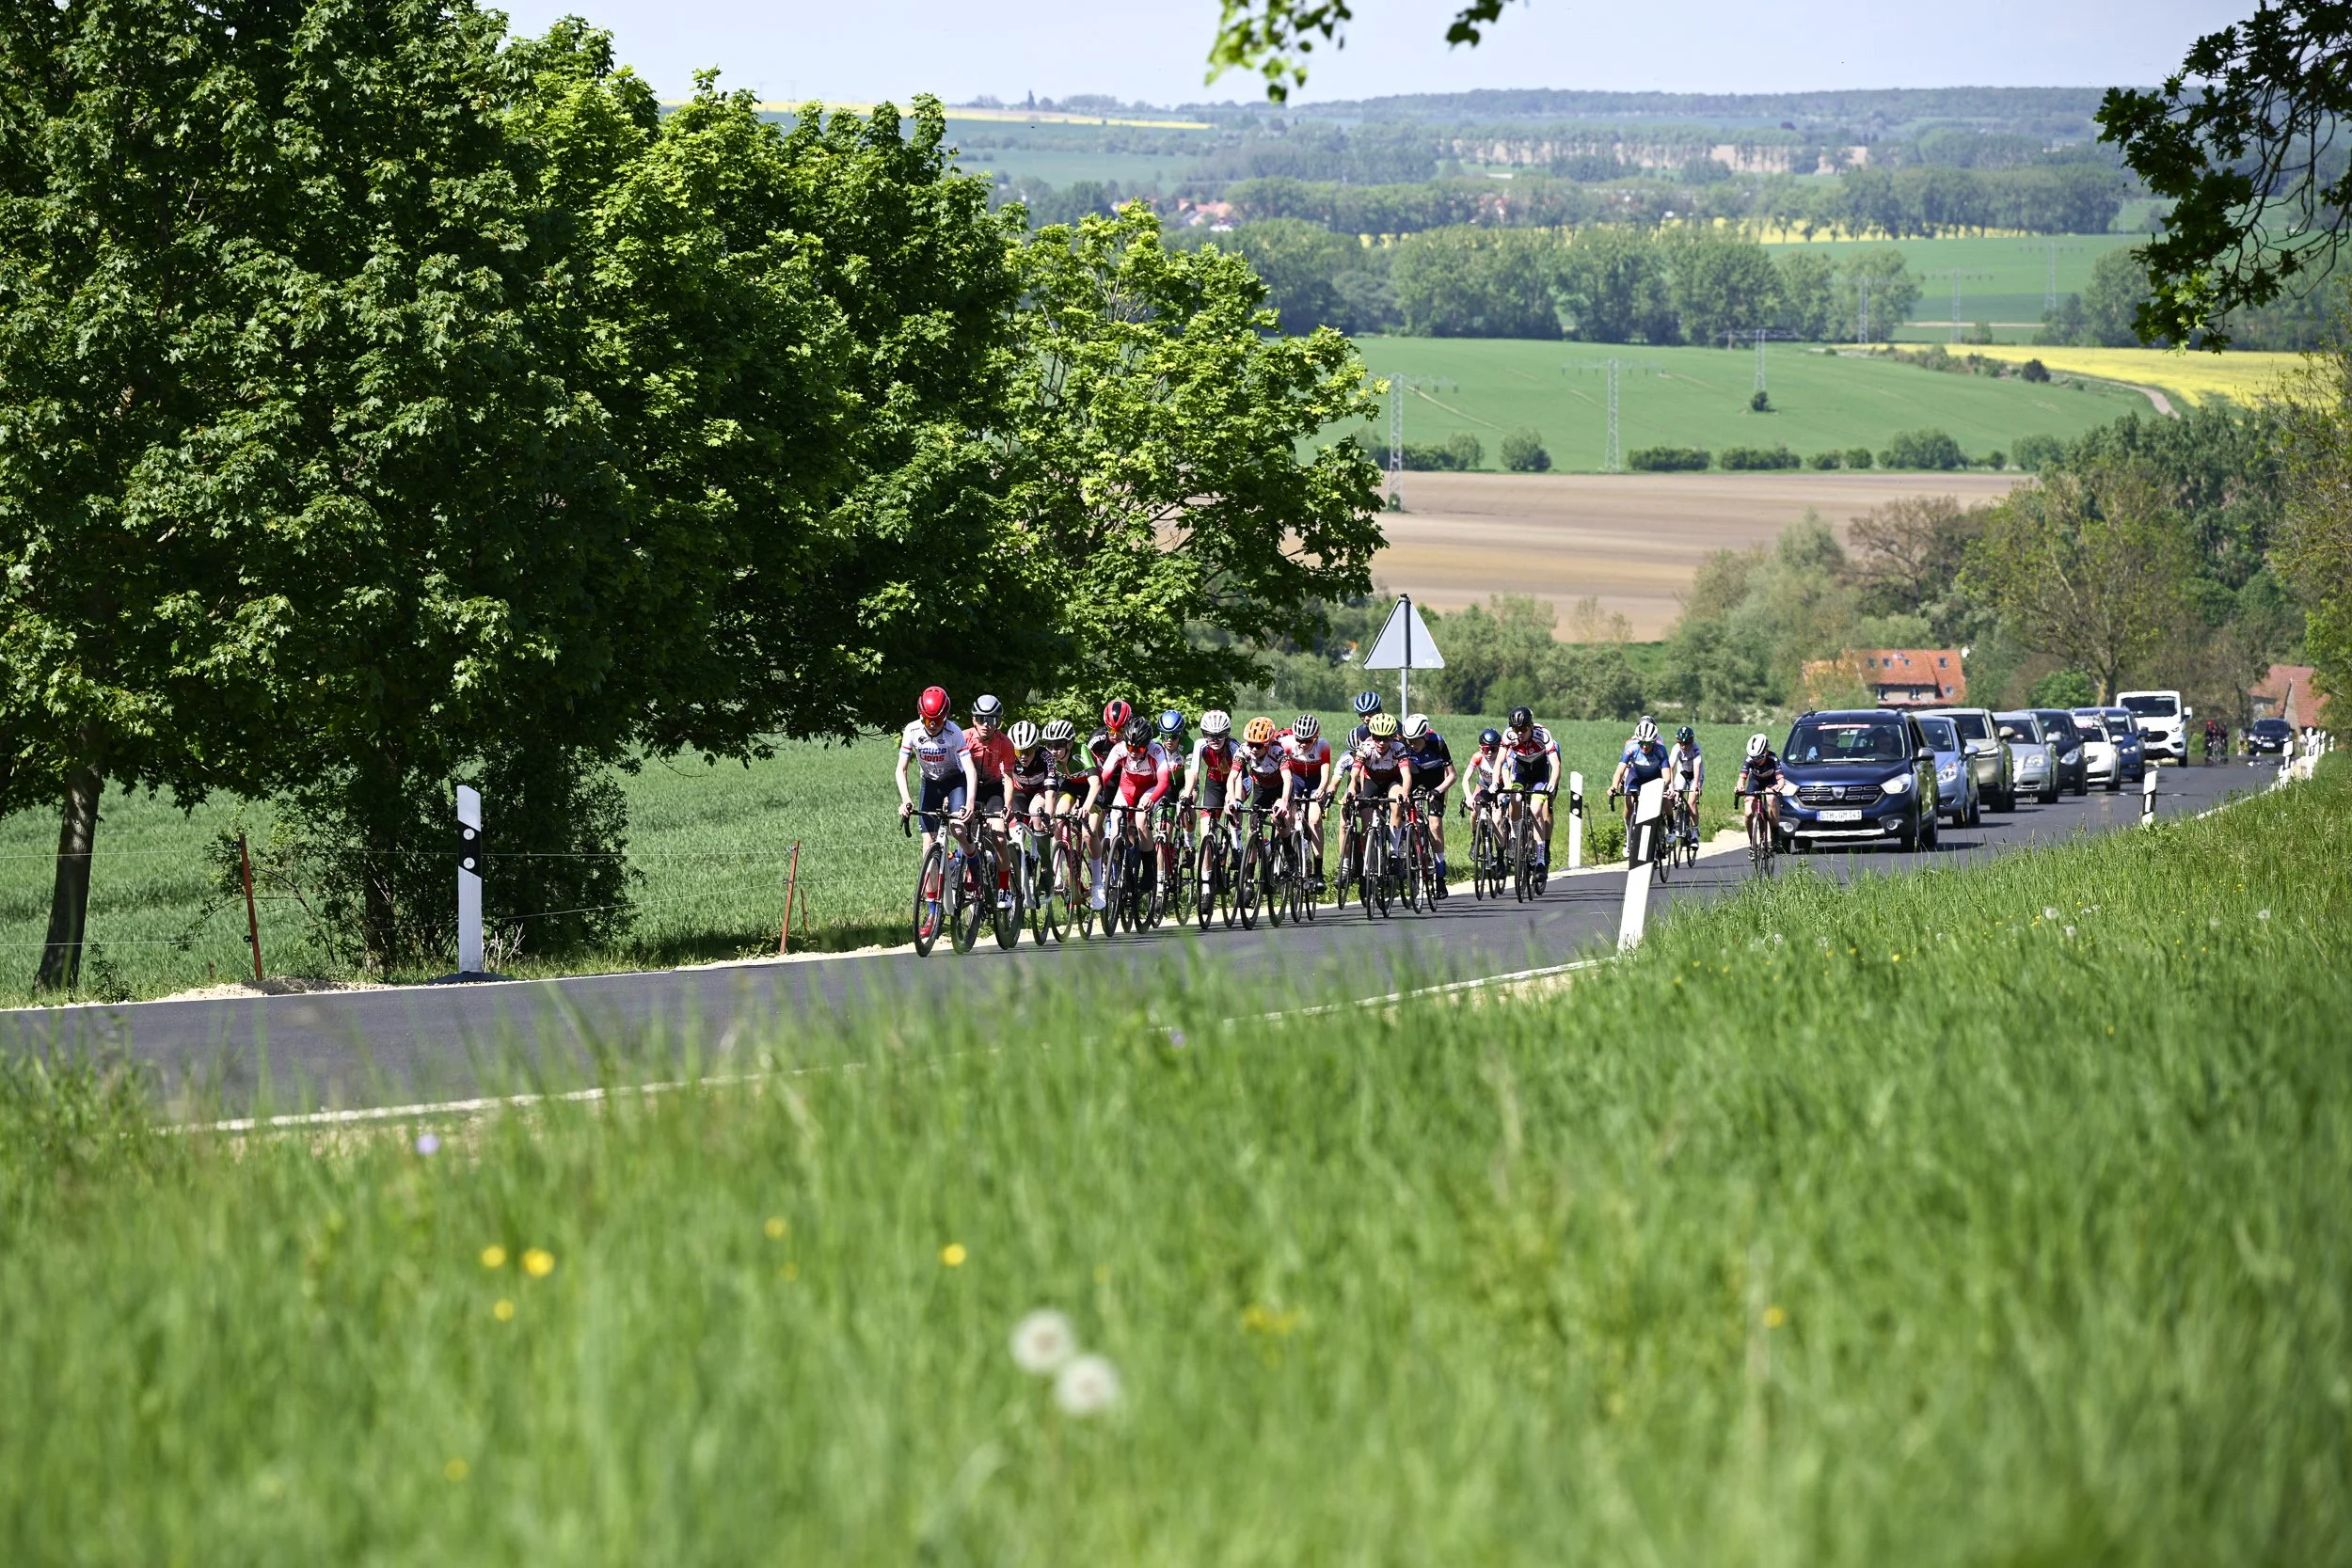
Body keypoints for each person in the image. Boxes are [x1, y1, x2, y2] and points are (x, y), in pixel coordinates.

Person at [896, 685, 978, 879]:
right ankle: (932, 906)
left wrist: (970, 804)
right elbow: (901, 769)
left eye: (938, 721)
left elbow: (970, 770)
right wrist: (905, 800)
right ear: (920, 715)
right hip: (931, 783)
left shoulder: (954, 732)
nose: (932, 725)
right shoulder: (912, 730)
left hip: (954, 782)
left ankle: (975, 864)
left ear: (946, 716)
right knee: (928, 846)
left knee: (958, 829)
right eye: (926, 720)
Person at [1094, 716, 1172, 910]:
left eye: (1139, 749)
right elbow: (1104, 776)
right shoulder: (1120, 749)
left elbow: (1163, 782)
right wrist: (1097, 798)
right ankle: (1122, 873)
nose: (1134, 753)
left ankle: (1148, 872)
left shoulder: (1156, 750)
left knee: (1141, 819)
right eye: (1131, 748)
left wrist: (1152, 799)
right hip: (1127, 788)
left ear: (1147, 745)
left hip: (1149, 789)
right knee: (1115, 830)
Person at [1344, 712, 1409, 889]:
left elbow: (1406, 774)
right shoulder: (1365, 747)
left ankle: (1394, 854)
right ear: (1371, 736)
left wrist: (1405, 792)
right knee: (1367, 825)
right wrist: (1351, 790)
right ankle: (1368, 865)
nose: (1381, 743)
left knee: (1396, 802)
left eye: (1386, 738)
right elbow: (1355, 773)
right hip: (1371, 782)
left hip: (1392, 781)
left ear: (1392, 737)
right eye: (1377, 738)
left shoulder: (1398, 748)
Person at [1497, 705, 1563, 871]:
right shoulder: (1509, 735)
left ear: (1531, 726)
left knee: (1535, 809)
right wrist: (1494, 783)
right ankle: (1514, 835)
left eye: (1523, 729)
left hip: (1540, 773)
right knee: (1515, 797)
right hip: (1521, 772)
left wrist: (1552, 784)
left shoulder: (1543, 734)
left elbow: (1555, 764)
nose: (1519, 732)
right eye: (1516, 728)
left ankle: (1541, 858)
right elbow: (1499, 761)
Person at [1401, 713, 1457, 894]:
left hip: (1436, 782)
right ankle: (1408, 850)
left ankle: (1440, 875)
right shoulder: (1403, 745)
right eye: (1409, 740)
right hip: (1414, 779)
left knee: (1434, 825)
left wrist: (1438, 791)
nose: (1412, 745)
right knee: (1404, 815)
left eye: (1416, 740)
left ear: (1425, 736)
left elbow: (1453, 775)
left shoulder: (1437, 743)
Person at [1279, 713, 1335, 891]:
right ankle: (1291, 856)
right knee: (1288, 817)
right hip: (1296, 780)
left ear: (1315, 738)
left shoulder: (1323, 746)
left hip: (1315, 782)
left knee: (1314, 820)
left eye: (1308, 741)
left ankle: (1318, 873)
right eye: (1300, 739)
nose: (1303, 744)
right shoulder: (1287, 744)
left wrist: (1321, 790)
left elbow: (1325, 774)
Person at [1609, 717, 1670, 854]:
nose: (1644, 747)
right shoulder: (1631, 747)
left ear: (1654, 741)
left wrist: (1660, 787)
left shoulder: (1661, 750)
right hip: (1635, 776)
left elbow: (1667, 776)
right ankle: (1629, 836)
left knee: (1662, 800)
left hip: (1654, 776)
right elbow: (1620, 770)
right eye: (1641, 743)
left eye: (1648, 744)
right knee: (1629, 803)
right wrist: (1614, 786)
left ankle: (1665, 828)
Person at [1180, 709, 1239, 848]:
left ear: (1227, 733)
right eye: (1210, 736)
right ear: (1204, 733)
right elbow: (1194, 772)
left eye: (1220, 736)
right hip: (1214, 784)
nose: (1215, 740)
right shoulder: (1201, 745)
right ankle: (1206, 871)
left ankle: (1238, 847)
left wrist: (1232, 798)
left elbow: (1237, 776)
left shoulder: (1234, 747)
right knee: (1206, 836)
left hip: (1236, 782)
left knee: (1234, 811)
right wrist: (1186, 796)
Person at [1663, 724, 1705, 850]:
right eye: (1681, 743)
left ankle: (1694, 832)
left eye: (1686, 743)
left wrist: (1697, 786)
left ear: (1691, 742)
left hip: (1695, 775)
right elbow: (1670, 767)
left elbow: (1697, 768)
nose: (1683, 746)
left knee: (1692, 800)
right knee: (1675, 795)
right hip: (1682, 773)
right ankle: (1677, 822)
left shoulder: (1696, 749)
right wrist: (1670, 787)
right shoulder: (1676, 748)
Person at [1735, 731, 1780, 845]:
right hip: (1755, 782)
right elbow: (1742, 778)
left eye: (1760, 757)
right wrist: (1740, 787)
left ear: (1766, 751)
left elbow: (1781, 780)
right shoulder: (1749, 759)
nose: (1757, 760)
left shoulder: (1773, 759)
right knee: (1749, 813)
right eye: (1754, 757)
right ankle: (1752, 841)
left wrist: (1779, 787)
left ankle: (1775, 833)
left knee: (1770, 799)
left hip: (1770, 782)